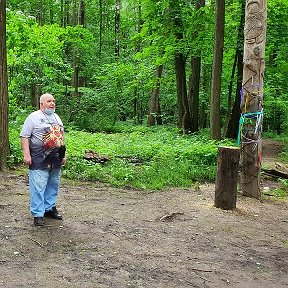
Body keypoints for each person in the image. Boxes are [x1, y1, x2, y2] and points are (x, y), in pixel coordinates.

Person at [20, 93, 66, 226]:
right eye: (49, 101)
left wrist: (64, 155)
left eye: (53, 101)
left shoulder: (56, 117)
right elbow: (24, 136)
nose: (52, 103)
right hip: (39, 157)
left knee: (53, 184)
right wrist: (26, 155)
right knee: (38, 186)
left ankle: (49, 208)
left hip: (56, 157)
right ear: (41, 104)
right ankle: (38, 213)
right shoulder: (33, 117)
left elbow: (61, 136)